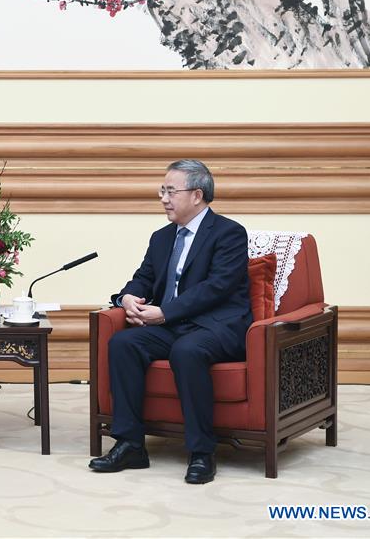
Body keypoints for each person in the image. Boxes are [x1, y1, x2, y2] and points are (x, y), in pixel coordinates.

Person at [89, 159, 252, 484]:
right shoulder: (162, 237)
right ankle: (131, 444)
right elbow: (144, 278)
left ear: (197, 195)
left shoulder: (229, 233)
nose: (163, 198)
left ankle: (202, 452)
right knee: (123, 343)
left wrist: (165, 312)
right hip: (173, 326)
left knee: (187, 351)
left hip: (215, 326)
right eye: (161, 191)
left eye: (170, 191)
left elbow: (217, 287)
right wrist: (128, 298)